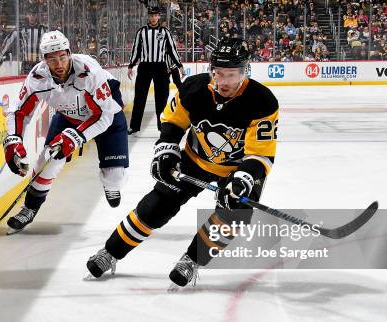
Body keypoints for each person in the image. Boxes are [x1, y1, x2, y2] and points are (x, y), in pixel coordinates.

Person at [86, 37, 279, 288]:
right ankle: (110, 252)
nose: (223, 81)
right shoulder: (194, 88)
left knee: (235, 215)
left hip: (236, 169)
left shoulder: (262, 101)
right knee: (157, 204)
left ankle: (192, 259)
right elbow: (173, 122)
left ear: (245, 72)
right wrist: (166, 150)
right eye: (218, 73)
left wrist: (242, 182)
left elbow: (260, 154)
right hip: (194, 159)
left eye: (231, 74)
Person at [3, 30, 128, 234]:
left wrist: (76, 137)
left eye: (62, 57)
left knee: (114, 177)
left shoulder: (89, 72)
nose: (59, 64)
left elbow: (104, 115)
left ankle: (111, 182)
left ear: (69, 53)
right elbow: (18, 111)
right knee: (47, 160)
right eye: (52, 59)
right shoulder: (37, 77)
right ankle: (30, 207)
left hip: (107, 115)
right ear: (44, 60)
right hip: (68, 116)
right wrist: (13, 139)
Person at [127, 6, 183, 136]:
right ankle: (134, 126)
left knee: (161, 98)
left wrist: (179, 65)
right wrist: (131, 65)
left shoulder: (165, 32)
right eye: (151, 15)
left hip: (160, 67)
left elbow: (172, 49)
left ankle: (162, 125)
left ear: (159, 16)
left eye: (155, 15)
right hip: (145, 67)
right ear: (148, 16)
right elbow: (136, 49)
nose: (153, 17)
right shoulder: (141, 32)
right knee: (140, 97)